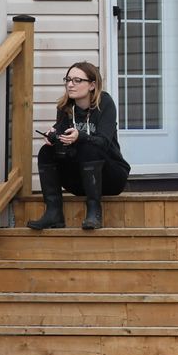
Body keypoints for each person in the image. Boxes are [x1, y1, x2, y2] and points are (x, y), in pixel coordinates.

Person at [28, 61, 130, 230]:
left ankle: (94, 212)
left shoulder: (104, 103)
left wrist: (80, 136)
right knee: (46, 152)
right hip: (80, 180)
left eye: (77, 80)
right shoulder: (65, 107)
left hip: (111, 176)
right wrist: (53, 137)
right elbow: (63, 139)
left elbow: (104, 142)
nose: (70, 84)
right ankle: (53, 213)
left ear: (92, 85)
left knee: (90, 147)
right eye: (68, 79)